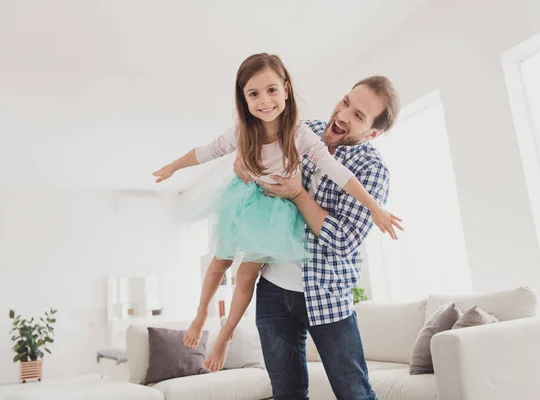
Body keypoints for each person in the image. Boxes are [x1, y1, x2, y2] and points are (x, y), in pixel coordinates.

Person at [152, 53, 402, 373]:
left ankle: (224, 335)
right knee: (219, 263)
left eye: (271, 91)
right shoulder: (252, 130)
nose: (264, 100)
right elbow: (208, 151)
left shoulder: (308, 138)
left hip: (286, 237)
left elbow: (338, 176)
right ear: (244, 100)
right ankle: (200, 316)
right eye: (253, 94)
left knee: (244, 277)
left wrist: (374, 207)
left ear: (286, 89)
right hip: (249, 214)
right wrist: (176, 166)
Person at [234, 75, 401, 399]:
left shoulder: (371, 170)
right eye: (346, 102)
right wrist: (244, 164)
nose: (342, 115)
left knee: (354, 393)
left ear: (373, 132)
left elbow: (343, 240)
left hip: (326, 292)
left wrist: (298, 195)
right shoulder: (301, 131)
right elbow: (258, 166)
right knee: (286, 393)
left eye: (358, 116)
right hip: (272, 287)